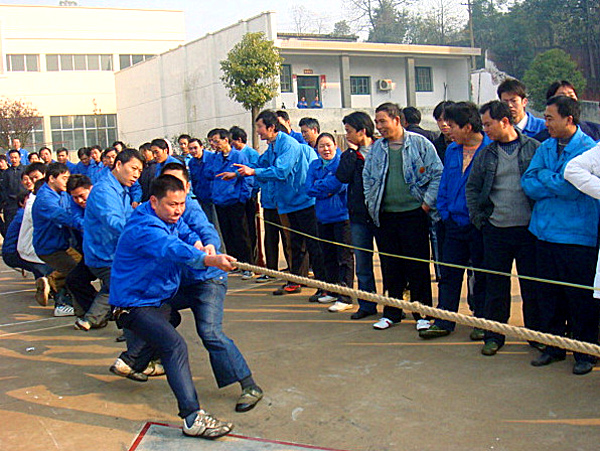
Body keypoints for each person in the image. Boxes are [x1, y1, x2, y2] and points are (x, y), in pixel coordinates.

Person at [109, 174, 236, 439]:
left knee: (172, 318)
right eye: (172, 204)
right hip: (134, 303)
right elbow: (171, 247)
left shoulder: (167, 217)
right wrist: (209, 260)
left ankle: (133, 361)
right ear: (154, 201)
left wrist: (200, 244)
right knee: (174, 345)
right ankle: (192, 417)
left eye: (181, 204)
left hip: (156, 297)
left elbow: (184, 231)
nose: (178, 210)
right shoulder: (145, 227)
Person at [521, 95, 599, 375]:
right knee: (548, 295)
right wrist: (553, 179)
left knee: (579, 298)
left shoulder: (589, 150)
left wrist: (545, 177)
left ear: (569, 119)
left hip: (577, 237)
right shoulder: (545, 146)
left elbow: (573, 187)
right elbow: (528, 182)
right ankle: (553, 347)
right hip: (544, 233)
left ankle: (585, 352)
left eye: (550, 118)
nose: (546, 123)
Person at [464, 100, 542, 356]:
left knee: (532, 286)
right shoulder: (486, 154)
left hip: (529, 231)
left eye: (488, 124)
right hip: (496, 230)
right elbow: (473, 188)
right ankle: (494, 336)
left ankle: (535, 335)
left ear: (504, 122)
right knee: (495, 286)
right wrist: (480, 220)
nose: (485, 129)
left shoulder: (534, 149)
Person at [363, 102, 443, 331]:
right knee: (390, 266)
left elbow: (437, 173)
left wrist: (426, 204)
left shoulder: (420, 144)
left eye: (382, 121)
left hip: (414, 215)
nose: (379, 126)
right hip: (385, 216)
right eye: (377, 122)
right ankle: (392, 312)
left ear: (397, 120)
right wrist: (371, 203)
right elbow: (367, 177)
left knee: (417, 266)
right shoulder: (377, 149)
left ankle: (422, 313)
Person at [235, 110, 327, 300]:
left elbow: (281, 171)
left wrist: (253, 172)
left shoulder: (288, 145)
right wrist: (238, 173)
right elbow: (260, 164)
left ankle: (324, 285)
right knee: (295, 244)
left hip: (303, 202)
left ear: (271, 127)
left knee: (313, 244)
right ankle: (296, 280)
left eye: (260, 127)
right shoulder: (273, 146)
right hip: (288, 202)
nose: (257, 131)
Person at [419, 101, 490, 340]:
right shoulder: (452, 150)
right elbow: (445, 184)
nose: (447, 129)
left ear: (468, 127)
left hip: (480, 226)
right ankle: (444, 320)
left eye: (452, 125)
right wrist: (445, 212)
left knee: (481, 275)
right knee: (448, 274)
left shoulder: (490, 149)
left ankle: (482, 321)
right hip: (452, 224)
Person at [78, 149, 144, 330]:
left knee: (118, 284)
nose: (136, 175)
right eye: (134, 169)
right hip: (104, 253)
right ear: (119, 165)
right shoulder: (104, 190)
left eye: (140, 171)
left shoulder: (121, 189)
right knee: (126, 283)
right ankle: (129, 328)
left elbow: (129, 217)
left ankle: (94, 318)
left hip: (113, 251)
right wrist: (142, 238)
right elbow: (114, 222)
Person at [336, 111, 378, 319]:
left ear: (362, 131)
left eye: (349, 131)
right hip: (358, 216)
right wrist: (352, 153)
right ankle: (367, 304)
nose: (347, 135)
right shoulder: (351, 154)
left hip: (382, 214)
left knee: (390, 263)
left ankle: (393, 306)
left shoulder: (381, 149)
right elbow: (342, 176)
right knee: (362, 263)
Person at [306, 133, 354, 312]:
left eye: (328, 145)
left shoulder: (342, 163)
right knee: (328, 256)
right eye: (321, 146)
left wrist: (321, 185)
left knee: (344, 257)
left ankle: (345, 296)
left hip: (342, 217)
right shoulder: (314, 165)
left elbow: (340, 185)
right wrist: (326, 188)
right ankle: (332, 290)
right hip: (323, 217)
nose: (325, 149)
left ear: (335, 146)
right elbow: (308, 188)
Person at [32, 162, 83, 316]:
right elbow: (63, 217)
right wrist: (87, 224)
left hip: (63, 244)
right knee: (74, 272)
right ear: (52, 178)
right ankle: (62, 303)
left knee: (83, 265)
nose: (67, 182)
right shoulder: (45, 199)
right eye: (64, 178)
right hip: (49, 247)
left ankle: (52, 282)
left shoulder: (62, 193)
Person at [206, 128, 254, 279]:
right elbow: (210, 176)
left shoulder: (238, 156)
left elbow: (248, 178)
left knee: (241, 234)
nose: (214, 144)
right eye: (211, 142)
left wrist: (242, 198)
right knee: (227, 234)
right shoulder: (215, 158)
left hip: (235, 201)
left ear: (226, 140)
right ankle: (234, 263)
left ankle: (247, 265)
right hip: (220, 201)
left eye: (216, 141)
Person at [17, 164, 54, 305]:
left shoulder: (38, 196)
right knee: (63, 270)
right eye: (30, 178)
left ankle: (47, 286)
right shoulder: (34, 200)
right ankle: (62, 303)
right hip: (32, 249)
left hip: (33, 248)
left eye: (35, 178)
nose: (32, 182)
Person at [64, 175, 99, 321]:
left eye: (82, 196)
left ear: (91, 189)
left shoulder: (102, 201)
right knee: (74, 280)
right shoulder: (76, 206)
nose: (79, 200)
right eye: (75, 197)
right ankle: (97, 311)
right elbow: (76, 218)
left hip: (109, 251)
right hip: (90, 252)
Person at [230, 126, 261, 266]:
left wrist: (250, 193)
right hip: (237, 197)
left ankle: (252, 260)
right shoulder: (233, 154)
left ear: (239, 139)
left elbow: (254, 175)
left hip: (249, 196)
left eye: (232, 141)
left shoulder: (251, 154)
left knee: (250, 229)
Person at [533, 80, 600, 142]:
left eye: (571, 95)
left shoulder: (595, 131)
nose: (568, 100)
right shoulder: (540, 141)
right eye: (562, 96)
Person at [1, 149, 26, 234]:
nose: (14, 160)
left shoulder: (25, 170)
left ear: (19, 158)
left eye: (15, 157)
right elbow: (3, 188)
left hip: (23, 203)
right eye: (12, 158)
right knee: (11, 228)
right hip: (10, 205)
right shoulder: (6, 172)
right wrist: (6, 201)